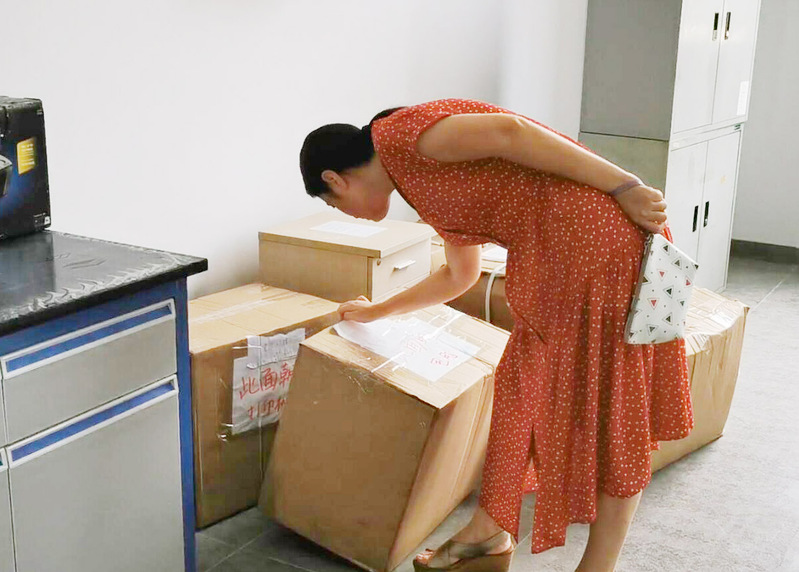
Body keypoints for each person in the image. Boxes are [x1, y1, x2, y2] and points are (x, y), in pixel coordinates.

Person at [299, 99, 693, 572]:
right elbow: (458, 275)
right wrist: (376, 311)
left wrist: (625, 186)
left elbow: (512, 132)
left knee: (608, 405)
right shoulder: (414, 180)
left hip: (595, 245)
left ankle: (596, 566)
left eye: (333, 204)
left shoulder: (401, 136)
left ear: (334, 180)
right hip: (566, 255)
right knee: (519, 390)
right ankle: (487, 532)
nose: (348, 214)